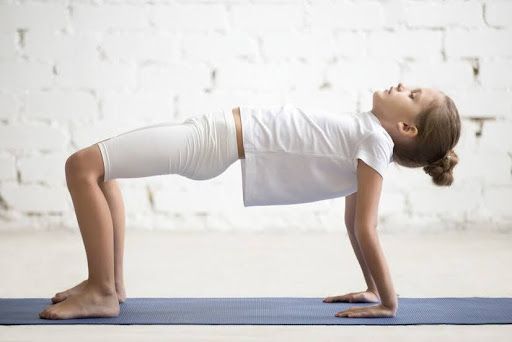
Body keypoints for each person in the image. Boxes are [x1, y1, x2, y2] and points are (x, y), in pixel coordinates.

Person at [39, 82, 461, 319]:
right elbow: (354, 223)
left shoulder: (372, 142)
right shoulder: (367, 136)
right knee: (104, 170)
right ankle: (110, 285)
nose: (404, 85)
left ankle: (101, 291)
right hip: (213, 135)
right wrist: (372, 288)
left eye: (414, 93)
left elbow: (365, 226)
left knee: (82, 166)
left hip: (211, 142)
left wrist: (389, 301)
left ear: (406, 126)